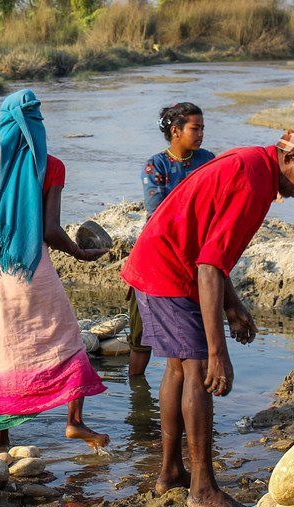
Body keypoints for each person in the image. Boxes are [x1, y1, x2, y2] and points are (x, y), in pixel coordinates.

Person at [121, 129, 294, 507]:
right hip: (169, 270)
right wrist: (217, 350)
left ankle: (170, 473)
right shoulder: (254, 181)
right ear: (288, 158)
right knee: (200, 368)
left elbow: (210, 248)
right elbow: (207, 267)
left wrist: (231, 304)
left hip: (158, 261)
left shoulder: (253, 162)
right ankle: (202, 488)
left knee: (178, 369)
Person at [0, 89, 110, 451]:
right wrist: (79, 252)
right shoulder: (52, 166)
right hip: (32, 264)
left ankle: (2, 438)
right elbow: (49, 230)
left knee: (1, 347)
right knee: (66, 337)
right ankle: (74, 422)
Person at [129, 102, 217, 378]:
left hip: (195, 252)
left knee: (189, 338)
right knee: (140, 334)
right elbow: (158, 213)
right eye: (195, 128)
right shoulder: (156, 165)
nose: (201, 133)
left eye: (202, 128)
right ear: (176, 131)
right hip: (158, 254)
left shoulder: (208, 160)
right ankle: (137, 392)